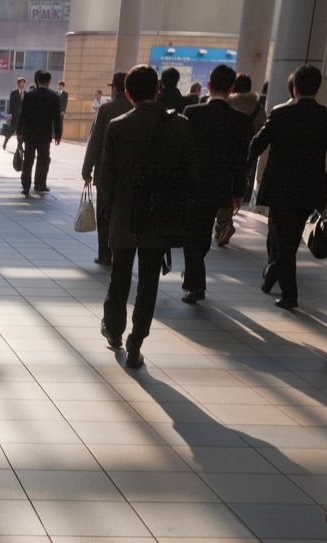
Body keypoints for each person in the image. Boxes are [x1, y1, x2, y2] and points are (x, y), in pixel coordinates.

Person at [98, 65, 198, 369]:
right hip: (160, 215)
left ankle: (114, 331)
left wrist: (108, 216)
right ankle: (136, 343)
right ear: (157, 89)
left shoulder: (117, 126)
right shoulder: (179, 125)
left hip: (125, 215)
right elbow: (192, 174)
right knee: (149, 281)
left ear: (127, 93)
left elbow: (107, 179)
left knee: (120, 277)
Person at [248, 64, 327, 310]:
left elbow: (257, 144)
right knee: (289, 241)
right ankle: (270, 279)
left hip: (280, 188)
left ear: (295, 87)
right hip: (312, 189)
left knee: (283, 242)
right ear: (317, 87)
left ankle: (289, 295)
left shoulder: (280, 113)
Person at [178, 64, 252, 304]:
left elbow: (182, 151)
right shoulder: (240, 121)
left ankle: (195, 282)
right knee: (204, 232)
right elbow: (241, 161)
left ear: (208, 86)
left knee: (192, 234)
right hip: (220, 186)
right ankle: (194, 277)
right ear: (231, 88)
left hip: (191, 185)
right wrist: (238, 192)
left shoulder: (192, 112)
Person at [82, 72, 130, 265]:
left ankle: (105, 253)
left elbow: (95, 140)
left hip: (105, 172)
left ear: (115, 88)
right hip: (130, 174)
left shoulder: (106, 110)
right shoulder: (135, 109)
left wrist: (87, 169)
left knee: (104, 214)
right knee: (125, 213)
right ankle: (121, 252)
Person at [16, 70, 62, 196]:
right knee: (43, 159)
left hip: (29, 133)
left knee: (28, 160)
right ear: (48, 81)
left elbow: (22, 115)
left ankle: (26, 186)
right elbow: (56, 119)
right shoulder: (54, 97)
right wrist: (58, 135)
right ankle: (40, 183)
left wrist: (19, 132)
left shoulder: (29, 95)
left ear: (38, 80)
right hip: (44, 134)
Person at [1, 77, 26, 149]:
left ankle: (20, 146)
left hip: (22, 117)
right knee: (10, 131)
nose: (23, 84)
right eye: (21, 82)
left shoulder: (26, 93)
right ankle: (5, 142)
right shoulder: (14, 92)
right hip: (14, 116)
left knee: (21, 133)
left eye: (24, 83)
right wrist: (10, 114)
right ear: (18, 84)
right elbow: (11, 104)